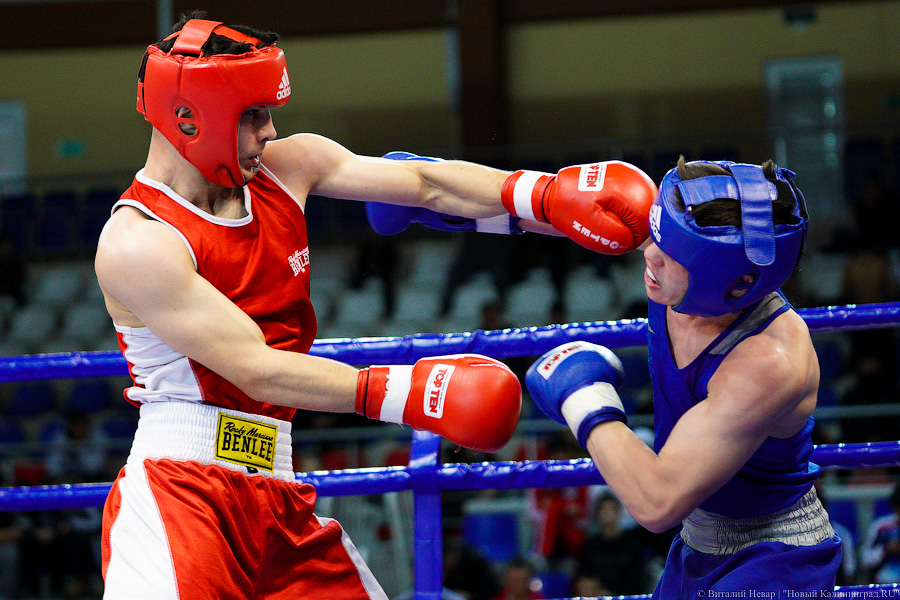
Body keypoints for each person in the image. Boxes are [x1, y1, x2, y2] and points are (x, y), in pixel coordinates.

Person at [94, 13, 656, 599]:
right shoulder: (139, 240)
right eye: (252, 116)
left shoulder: (290, 167)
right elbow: (255, 366)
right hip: (180, 494)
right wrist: (413, 393)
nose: (268, 131)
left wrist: (543, 194)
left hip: (277, 491)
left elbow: (423, 183)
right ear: (190, 118)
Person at [524, 157, 843, 597]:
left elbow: (656, 503)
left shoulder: (768, 360)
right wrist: (418, 190)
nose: (648, 252)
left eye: (671, 251)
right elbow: (532, 205)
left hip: (774, 557)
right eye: (659, 234)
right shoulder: (680, 259)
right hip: (695, 545)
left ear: (733, 282)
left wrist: (583, 400)